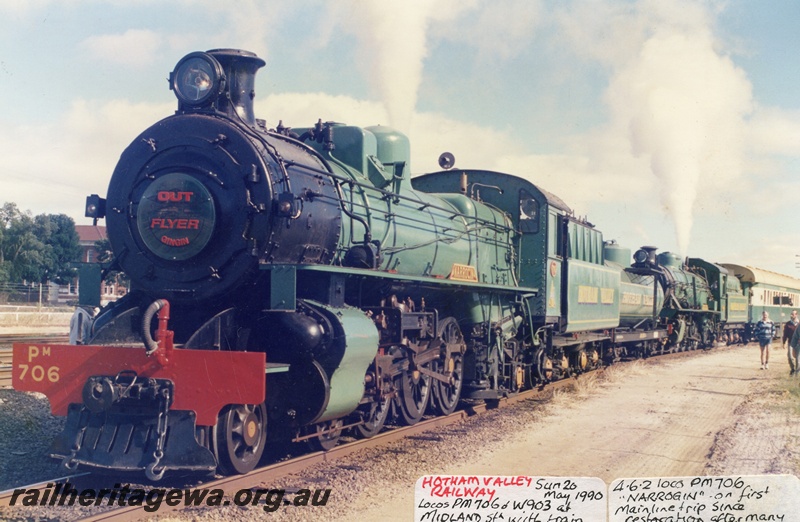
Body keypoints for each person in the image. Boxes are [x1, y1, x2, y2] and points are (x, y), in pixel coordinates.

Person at [785, 310, 800, 375]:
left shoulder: (799, 323)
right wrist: (784, 342)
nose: (792, 315)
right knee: (790, 356)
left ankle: (797, 371)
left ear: (796, 315)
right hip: (791, 342)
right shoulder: (788, 324)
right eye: (791, 314)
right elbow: (785, 334)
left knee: (798, 358)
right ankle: (792, 369)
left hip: (798, 343)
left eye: (793, 314)